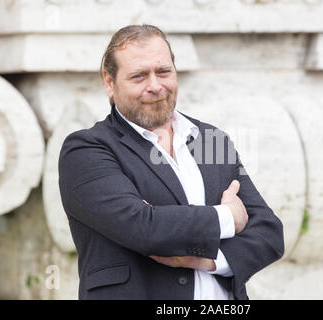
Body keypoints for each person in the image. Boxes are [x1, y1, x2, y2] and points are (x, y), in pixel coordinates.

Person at [58, 24, 284, 300]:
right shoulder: (88, 149)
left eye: (163, 72)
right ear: (109, 82)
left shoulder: (209, 140)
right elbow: (142, 227)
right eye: (139, 76)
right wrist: (227, 217)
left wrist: (213, 261)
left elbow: (269, 231)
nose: (155, 86)